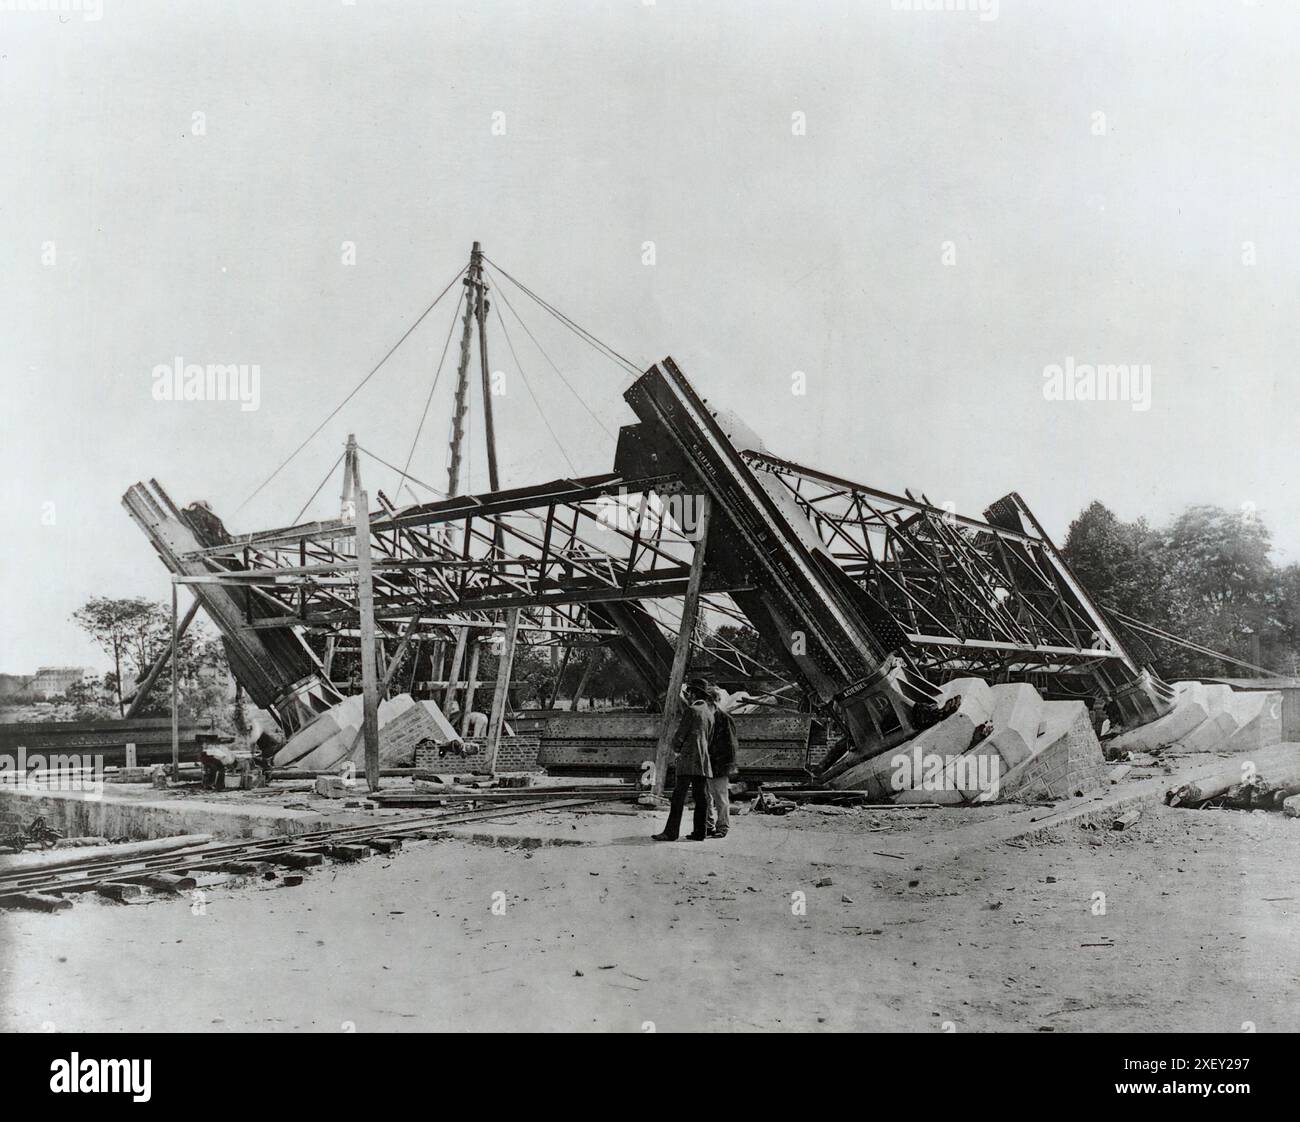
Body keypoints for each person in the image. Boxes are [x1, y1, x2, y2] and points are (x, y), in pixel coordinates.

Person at [652, 678, 716, 842]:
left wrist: (676, 750)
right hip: (702, 761)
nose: (687, 696)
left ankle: (671, 832)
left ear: (694, 694)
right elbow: (709, 738)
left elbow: (681, 734)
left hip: (688, 760)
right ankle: (700, 832)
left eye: (689, 693)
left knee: (678, 796)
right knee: (701, 796)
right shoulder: (709, 713)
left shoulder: (691, 710)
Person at [705, 688, 740, 838]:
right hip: (706, 764)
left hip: (719, 765)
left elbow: (732, 745)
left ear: (712, 702)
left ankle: (722, 828)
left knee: (720, 798)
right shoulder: (705, 718)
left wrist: (729, 766)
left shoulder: (725, 719)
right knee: (705, 796)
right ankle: (707, 826)